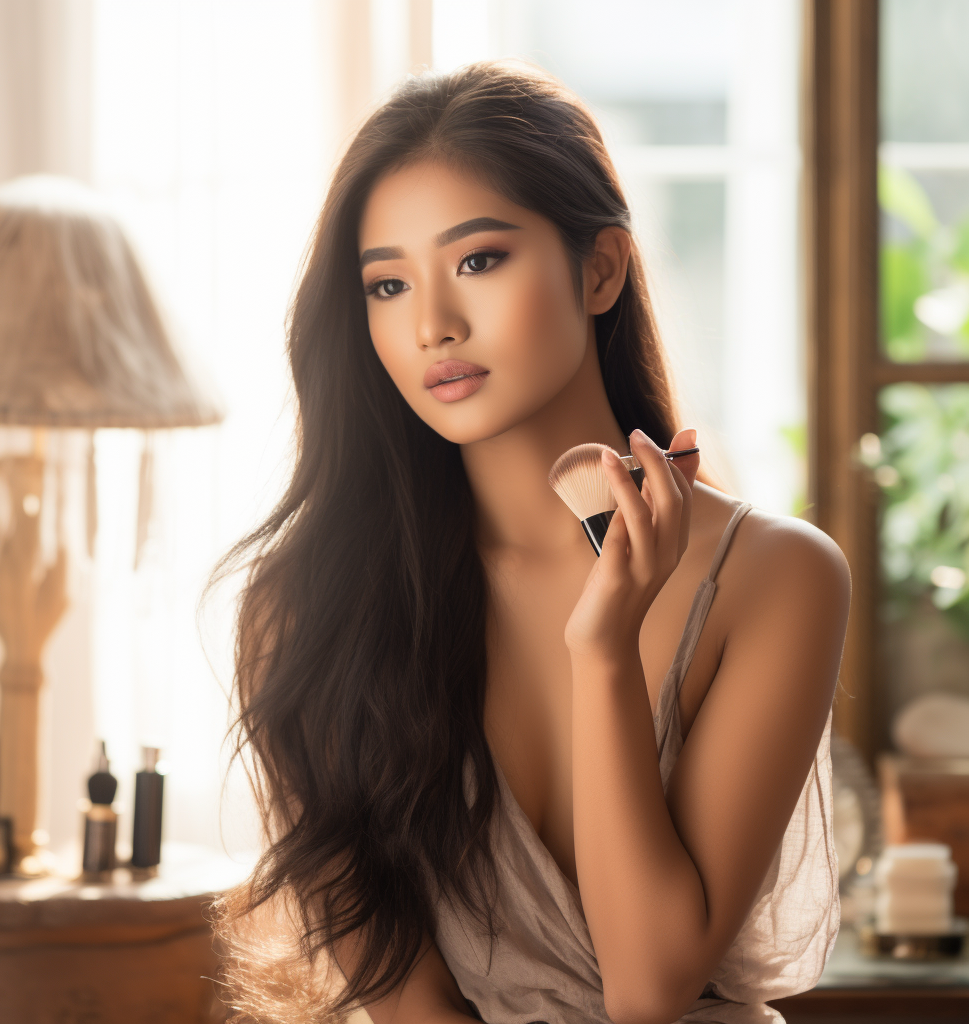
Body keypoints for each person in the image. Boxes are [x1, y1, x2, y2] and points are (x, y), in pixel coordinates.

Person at [216, 61, 849, 1024]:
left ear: (598, 271)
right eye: (387, 284)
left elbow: (650, 989)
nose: (432, 325)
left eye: (478, 261)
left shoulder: (778, 577)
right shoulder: (304, 611)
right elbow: (408, 1004)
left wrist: (603, 647)